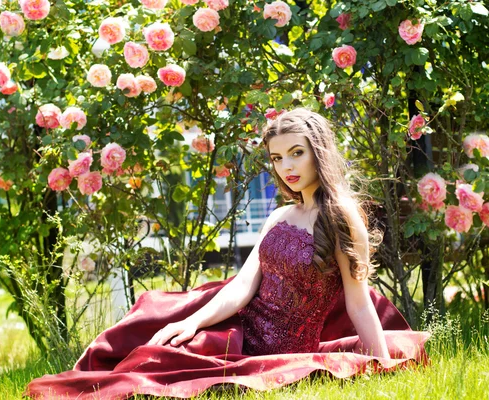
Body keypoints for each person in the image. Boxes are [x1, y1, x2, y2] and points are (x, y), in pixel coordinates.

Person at [26, 108, 429, 399]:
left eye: (296, 153)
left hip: (286, 348)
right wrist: (193, 321)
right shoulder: (282, 214)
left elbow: (358, 302)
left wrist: (380, 364)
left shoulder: (342, 218)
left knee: (171, 374)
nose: (286, 166)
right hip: (243, 329)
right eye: (276, 157)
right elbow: (242, 286)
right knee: (159, 354)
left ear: (318, 152)